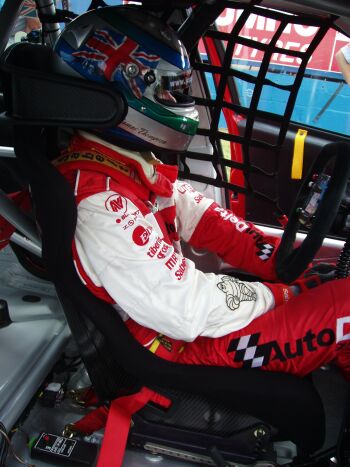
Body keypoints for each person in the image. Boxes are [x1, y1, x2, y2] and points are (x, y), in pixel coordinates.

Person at [51, 5, 350, 380]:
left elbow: (202, 217)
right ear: (124, 87)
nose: (182, 100)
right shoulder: (100, 200)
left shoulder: (120, 163)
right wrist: (283, 296)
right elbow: (187, 307)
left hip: (180, 325)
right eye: (172, 90)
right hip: (174, 350)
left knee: (328, 283)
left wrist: (284, 264)